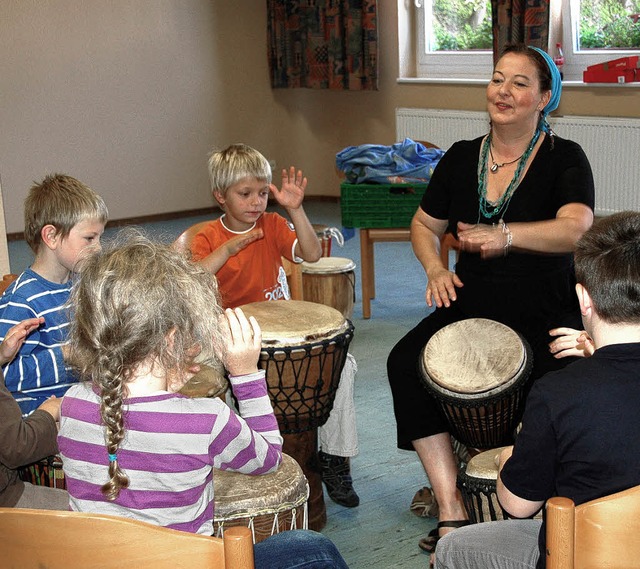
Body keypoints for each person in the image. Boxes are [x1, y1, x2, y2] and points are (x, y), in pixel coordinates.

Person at [386, 43, 595, 555]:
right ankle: (450, 502)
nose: (503, 91)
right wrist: (436, 267)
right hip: (472, 301)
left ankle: (530, 498)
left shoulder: (564, 157)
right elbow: (423, 223)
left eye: (519, 83)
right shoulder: (461, 157)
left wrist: (506, 236)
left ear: (544, 98)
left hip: (546, 306)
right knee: (404, 363)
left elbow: (575, 229)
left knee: (557, 386)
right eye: (497, 79)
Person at [57, 233, 349, 569]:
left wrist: (167, 376)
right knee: (314, 549)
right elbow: (270, 459)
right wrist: (244, 374)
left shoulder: (71, 405)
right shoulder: (206, 419)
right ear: (172, 341)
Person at [435, 210, 640, 569]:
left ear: (584, 299)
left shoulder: (559, 392)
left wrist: (505, 460)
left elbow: (518, 505)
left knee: (451, 550)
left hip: (582, 555)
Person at [189, 143, 360, 508]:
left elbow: (312, 254)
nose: (256, 202)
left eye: (263, 193)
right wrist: (228, 251)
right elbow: (191, 280)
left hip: (282, 336)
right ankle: (240, 461)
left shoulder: (272, 224)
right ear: (220, 196)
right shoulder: (206, 237)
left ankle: (334, 457)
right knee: (206, 375)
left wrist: (295, 209)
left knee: (343, 366)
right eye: (245, 194)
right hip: (232, 336)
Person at [0, 173, 108, 416]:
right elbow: (5, 376)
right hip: (39, 425)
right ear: (51, 237)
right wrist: (67, 356)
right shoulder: (22, 299)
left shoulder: (80, 283)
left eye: (99, 237)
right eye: (89, 238)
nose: (98, 248)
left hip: (78, 408)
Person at [0, 317, 69, 510]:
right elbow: (17, 447)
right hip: (7, 499)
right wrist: (51, 410)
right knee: (94, 519)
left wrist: (2, 356)